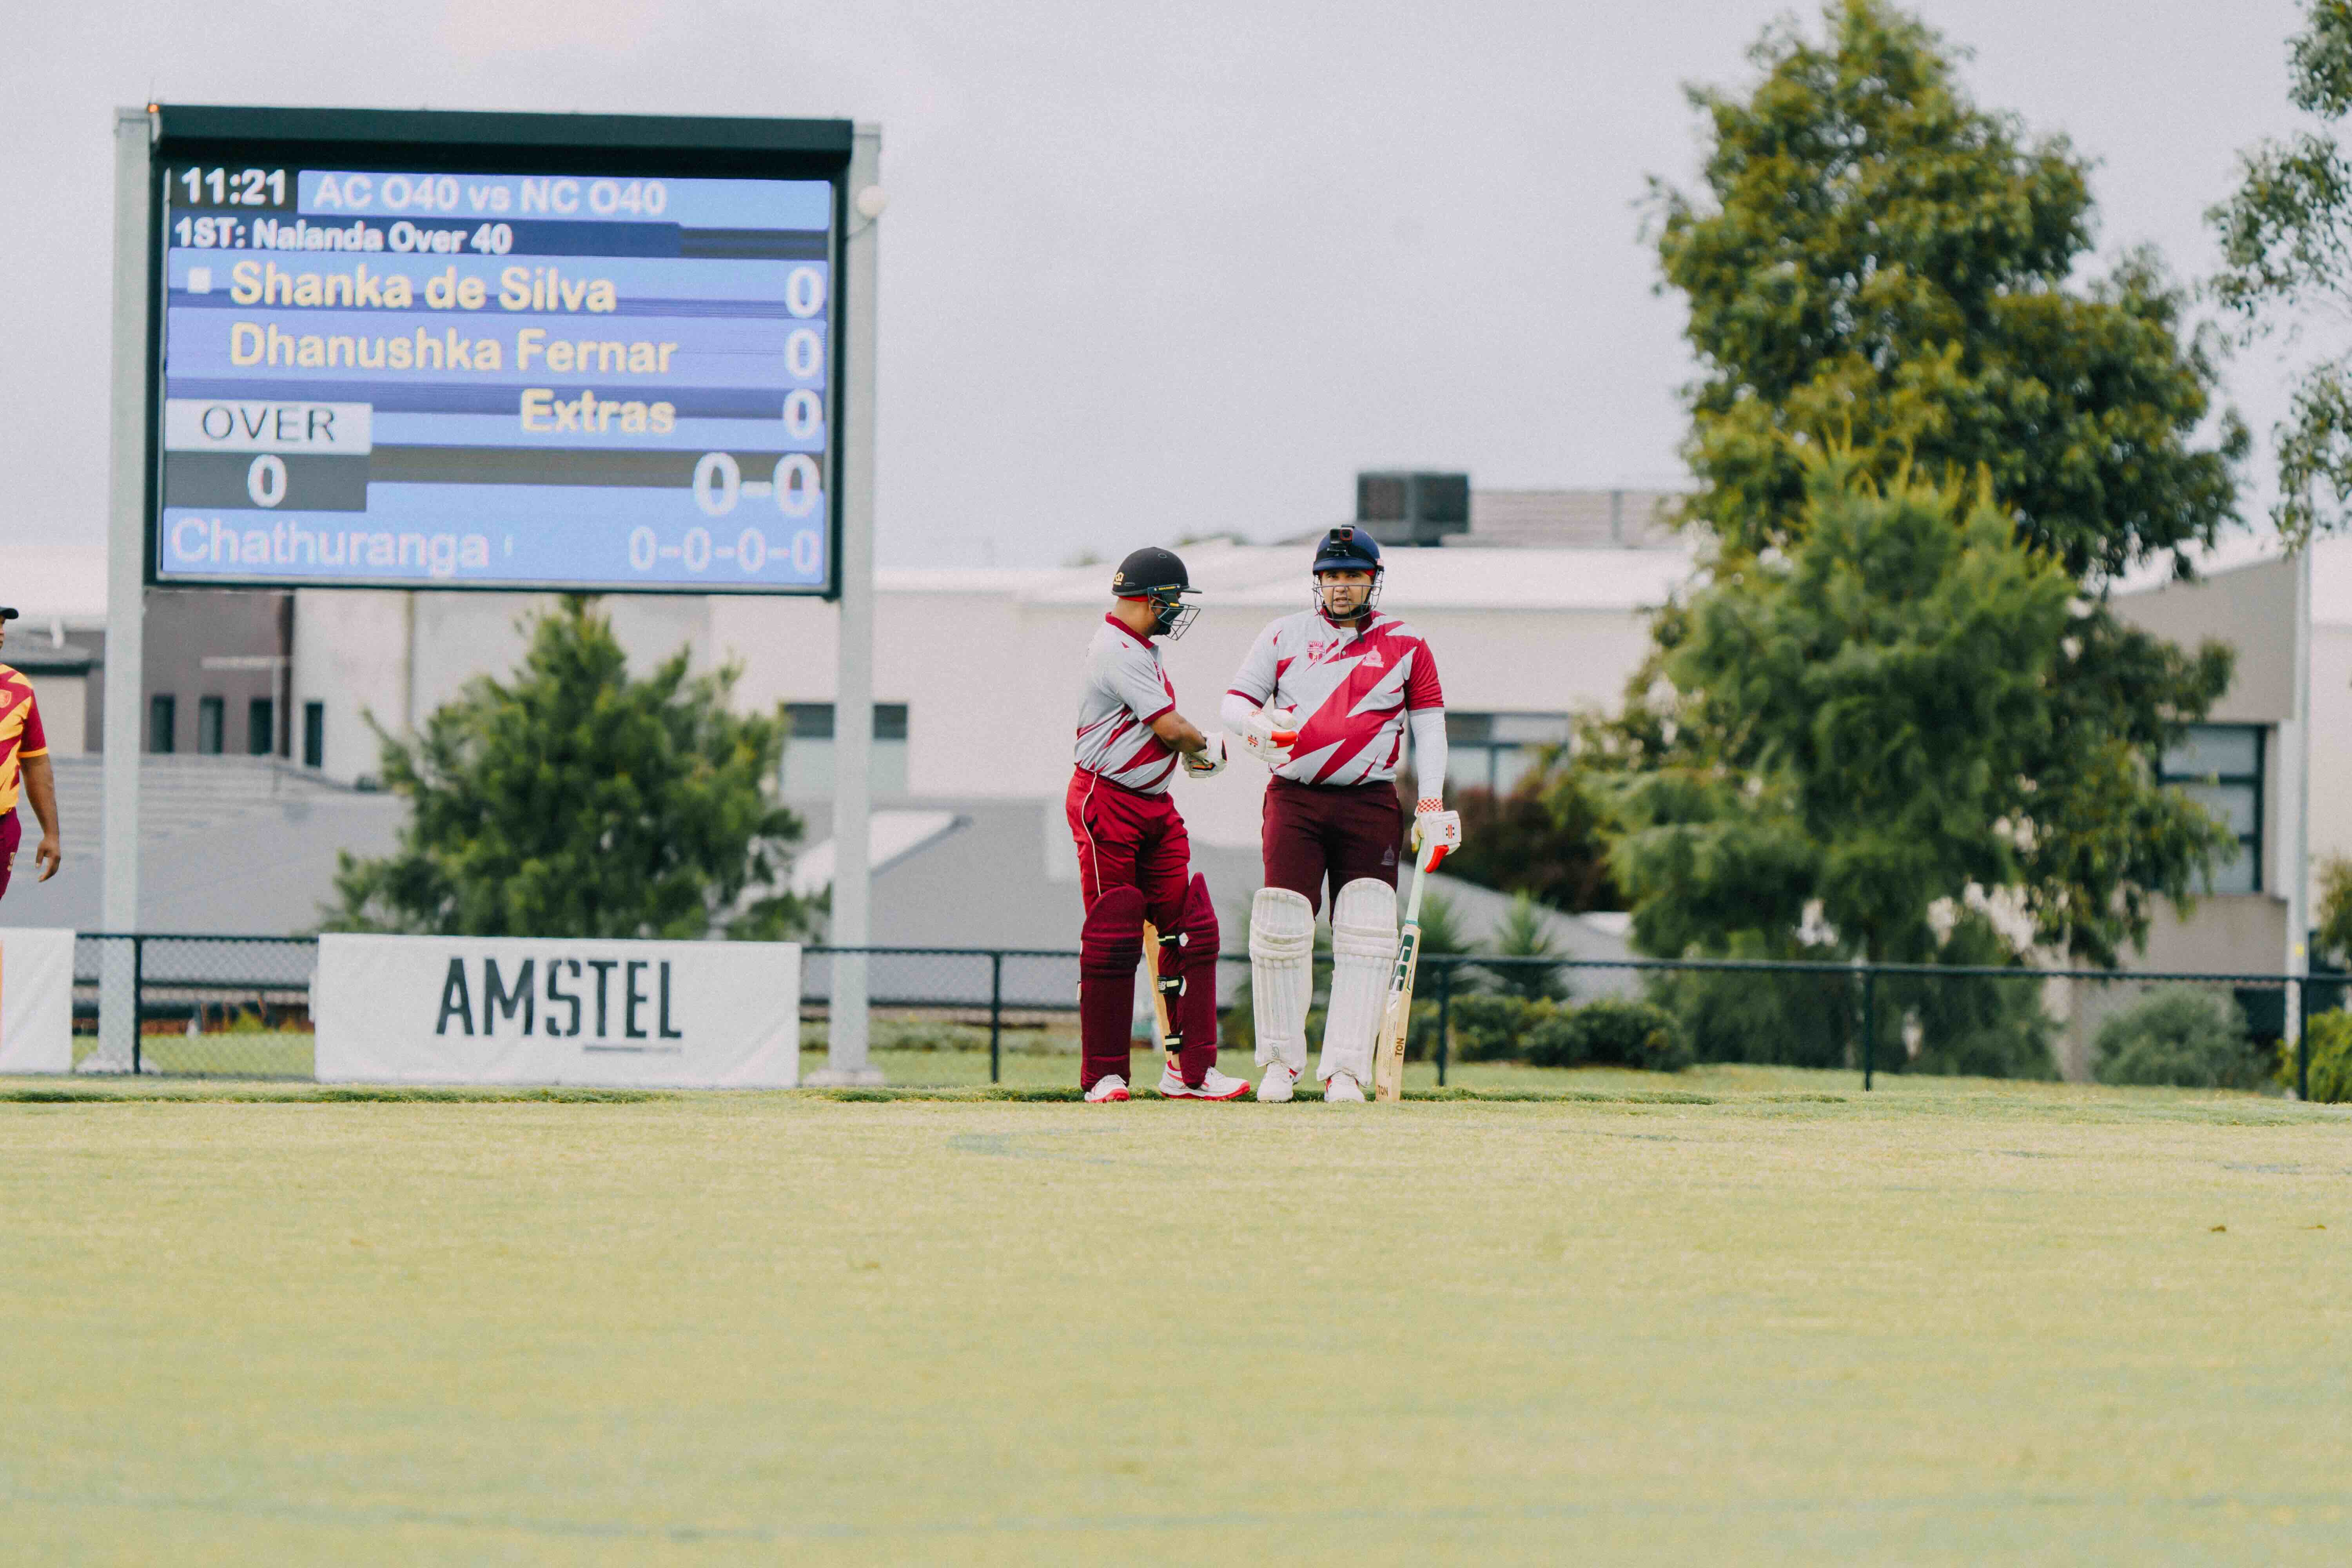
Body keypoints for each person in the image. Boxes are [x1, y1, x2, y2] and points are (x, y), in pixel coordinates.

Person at [1221, 527, 1461, 1102]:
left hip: (1369, 800)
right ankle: (1280, 1065)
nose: (1342, 586)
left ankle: (1347, 1070)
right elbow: (1236, 703)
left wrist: (1431, 800)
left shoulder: (1408, 643)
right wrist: (1254, 728)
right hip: (1295, 798)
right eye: (1332, 575)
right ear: (1318, 581)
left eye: (1354, 575)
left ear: (1373, 581)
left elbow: (1430, 725)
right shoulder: (1282, 635)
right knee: (1280, 927)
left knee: (1368, 933)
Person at [1066, 546, 1251, 1103]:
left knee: (1190, 928)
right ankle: (1104, 1076)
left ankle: (1189, 1071)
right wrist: (1210, 748)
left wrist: (1187, 752)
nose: (1178, 611)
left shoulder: (1141, 649)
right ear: (1154, 598)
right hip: (1108, 799)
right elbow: (1170, 728)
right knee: (1113, 935)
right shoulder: (1116, 649)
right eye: (1174, 600)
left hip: (1153, 803)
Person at [0, 608, 62, 900]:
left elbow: (36, 763)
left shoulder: (20, 689)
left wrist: (51, 833)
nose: (1, 631)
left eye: (1, 625)